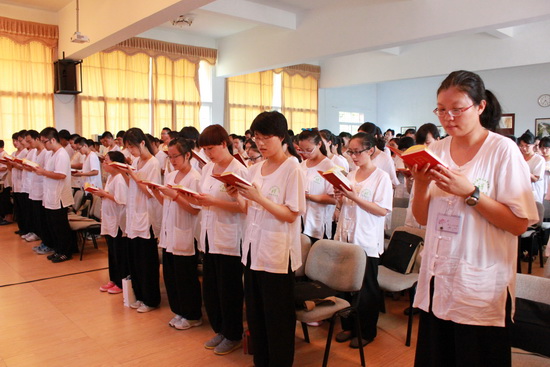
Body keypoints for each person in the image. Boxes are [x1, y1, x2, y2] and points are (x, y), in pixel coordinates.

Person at [411, 70, 538, 366]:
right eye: (441, 110)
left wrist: (471, 193)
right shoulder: (437, 149)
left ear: (480, 107)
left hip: (480, 285)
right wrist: (419, 184)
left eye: (457, 109)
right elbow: (423, 218)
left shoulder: (502, 150)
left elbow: (519, 223)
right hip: (437, 280)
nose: (448, 117)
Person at [231, 111, 305, 367]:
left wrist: (259, 198)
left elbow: (292, 214)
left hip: (277, 255)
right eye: (256, 138)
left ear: (282, 137)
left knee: (278, 320)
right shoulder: (254, 169)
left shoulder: (292, 167)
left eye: (266, 138)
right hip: (253, 251)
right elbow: (245, 208)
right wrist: (236, 194)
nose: (260, 144)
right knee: (256, 316)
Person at [333, 132, 393, 348]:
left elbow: (382, 210)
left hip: (366, 240)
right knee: (345, 285)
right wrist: (340, 200)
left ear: (370, 151)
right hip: (346, 236)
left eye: (357, 152)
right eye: (351, 152)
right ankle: (348, 326)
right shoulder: (350, 174)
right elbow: (344, 208)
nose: (354, 156)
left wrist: (353, 197)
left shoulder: (381, 177)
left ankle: (367, 331)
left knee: (366, 288)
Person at [192, 125, 246, 355]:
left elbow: (243, 208)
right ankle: (221, 329)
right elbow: (206, 197)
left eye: (211, 148)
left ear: (224, 143)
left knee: (229, 290)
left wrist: (212, 202)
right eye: (204, 149)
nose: (207, 153)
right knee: (212, 290)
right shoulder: (208, 168)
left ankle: (234, 334)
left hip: (230, 240)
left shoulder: (239, 170)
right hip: (209, 235)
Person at [152, 138, 203, 331]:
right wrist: (156, 192)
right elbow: (167, 204)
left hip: (185, 233)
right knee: (171, 275)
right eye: (170, 156)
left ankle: (192, 315)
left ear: (187, 155)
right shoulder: (171, 176)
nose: (172, 160)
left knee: (185, 277)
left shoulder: (195, 178)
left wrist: (175, 196)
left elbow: (195, 209)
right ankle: (179, 311)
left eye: (176, 156)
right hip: (169, 233)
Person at [114, 128, 162, 313]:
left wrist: (133, 174)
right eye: (127, 147)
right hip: (134, 214)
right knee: (134, 259)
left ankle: (150, 299)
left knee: (146, 261)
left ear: (142, 143)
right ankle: (139, 295)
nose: (130, 151)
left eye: (132, 147)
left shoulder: (153, 163)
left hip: (146, 217)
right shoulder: (135, 161)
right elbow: (131, 185)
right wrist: (125, 173)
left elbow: (150, 191)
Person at [34, 127, 75, 262]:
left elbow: (61, 175)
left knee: (60, 227)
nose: (44, 145)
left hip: (60, 196)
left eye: (45, 141)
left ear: (52, 139)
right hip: (51, 195)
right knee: (52, 226)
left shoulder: (62, 154)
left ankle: (66, 252)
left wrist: (43, 172)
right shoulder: (52, 154)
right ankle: (58, 249)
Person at [93, 151, 129, 295]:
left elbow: (121, 199)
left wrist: (104, 194)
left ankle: (121, 282)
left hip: (118, 220)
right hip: (109, 218)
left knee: (119, 252)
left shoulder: (120, 178)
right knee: (111, 252)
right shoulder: (110, 177)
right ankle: (113, 279)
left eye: (107, 161)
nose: (104, 163)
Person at [298, 129, 337, 242]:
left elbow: (333, 199)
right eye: (302, 151)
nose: (305, 154)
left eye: (309, 150)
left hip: (319, 222)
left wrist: (308, 196)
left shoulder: (328, 166)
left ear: (319, 144)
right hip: (301, 219)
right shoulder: (302, 165)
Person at [518, 130, 545, 203]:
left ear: (533, 145)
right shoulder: (518, 158)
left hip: (534, 194)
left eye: (527, 146)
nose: (524, 148)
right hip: (520, 193)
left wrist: (523, 170)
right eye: (521, 146)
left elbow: (535, 179)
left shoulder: (539, 159)